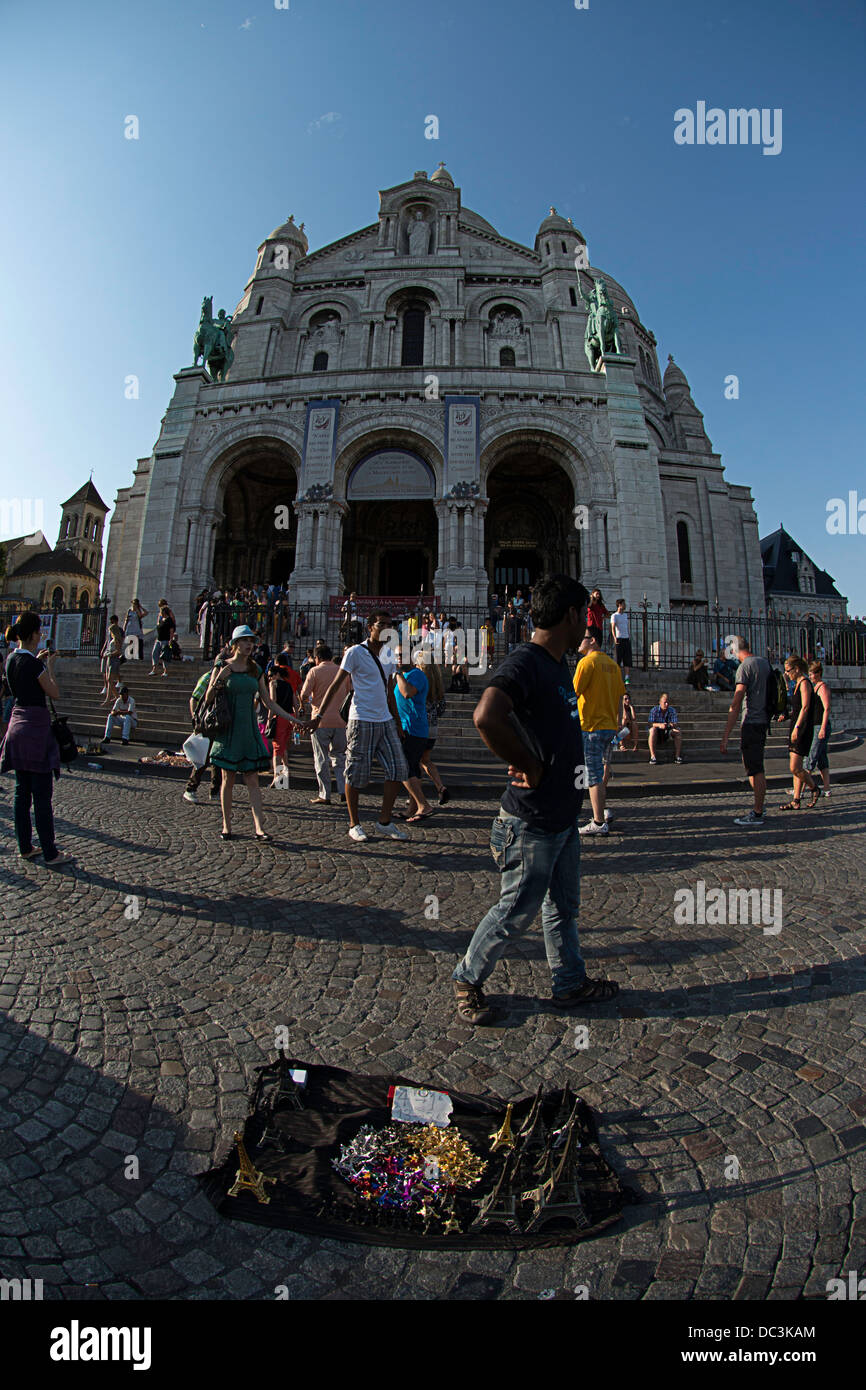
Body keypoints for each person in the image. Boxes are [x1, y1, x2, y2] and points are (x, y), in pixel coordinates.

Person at [451, 574, 619, 1026]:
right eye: (584, 614)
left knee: (563, 908)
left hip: (561, 817)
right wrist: (528, 763)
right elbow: (487, 715)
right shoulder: (527, 659)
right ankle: (467, 978)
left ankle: (568, 982)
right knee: (514, 910)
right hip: (530, 820)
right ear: (569, 615)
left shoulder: (558, 664)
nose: (587, 623)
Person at [307, 612, 414, 843]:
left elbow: (389, 691)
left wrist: (397, 721)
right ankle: (354, 824)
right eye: (381, 624)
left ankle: (384, 821)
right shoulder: (355, 652)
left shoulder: (387, 655)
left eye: (389, 624)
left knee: (398, 769)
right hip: (360, 719)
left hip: (385, 720)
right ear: (369, 628)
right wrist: (320, 715)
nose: (386, 628)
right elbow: (336, 685)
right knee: (355, 773)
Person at [203, 625, 306, 839]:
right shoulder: (222, 666)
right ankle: (226, 825)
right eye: (244, 641)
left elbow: (269, 702)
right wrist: (222, 677)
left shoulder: (255, 669)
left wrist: (292, 717)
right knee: (227, 779)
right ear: (235, 644)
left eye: (251, 641)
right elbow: (208, 698)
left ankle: (259, 827)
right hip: (229, 729)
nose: (249, 645)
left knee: (252, 780)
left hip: (248, 729)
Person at [0, 613, 71, 866]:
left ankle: (25, 846)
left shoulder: (11, 659)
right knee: (42, 796)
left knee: (21, 793)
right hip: (35, 730)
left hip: (16, 727)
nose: (41, 635)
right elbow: (54, 692)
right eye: (39, 632)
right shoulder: (36, 665)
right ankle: (51, 852)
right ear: (32, 635)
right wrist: (49, 666)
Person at [572, 632, 626, 835]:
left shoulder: (587, 663)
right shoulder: (613, 665)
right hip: (609, 727)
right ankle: (601, 809)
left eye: (583, 637)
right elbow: (621, 696)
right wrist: (619, 721)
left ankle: (598, 821)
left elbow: (573, 692)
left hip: (591, 726)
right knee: (601, 771)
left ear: (593, 640)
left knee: (592, 774)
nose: (579, 641)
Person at [720, 636, 771, 826]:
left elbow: (737, 700)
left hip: (751, 721)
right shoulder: (764, 663)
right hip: (763, 720)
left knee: (756, 768)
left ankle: (758, 812)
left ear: (734, 651)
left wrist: (726, 735)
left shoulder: (745, 667)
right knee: (753, 765)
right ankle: (760, 804)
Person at [299, 643, 348, 806]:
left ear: (317, 658)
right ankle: (343, 790)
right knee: (340, 757)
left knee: (321, 758)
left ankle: (325, 794)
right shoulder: (342, 671)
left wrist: (310, 701)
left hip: (320, 720)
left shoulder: (314, 671)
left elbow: (304, 695)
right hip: (341, 721)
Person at [393, 645, 435, 823]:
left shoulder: (416, 674)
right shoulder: (403, 676)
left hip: (414, 728)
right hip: (405, 727)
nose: (399, 658)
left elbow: (407, 692)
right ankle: (412, 807)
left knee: (404, 768)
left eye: (402, 655)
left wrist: (396, 674)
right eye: (396, 655)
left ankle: (423, 804)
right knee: (412, 767)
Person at [183, 652, 227, 804]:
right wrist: (196, 719)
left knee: (218, 759)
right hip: (208, 723)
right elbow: (194, 698)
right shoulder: (208, 677)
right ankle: (191, 787)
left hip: (221, 722)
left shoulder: (229, 678)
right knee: (203, 757)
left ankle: (215, 790)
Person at [779, 656, 819, 810]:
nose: (787, 674)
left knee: (795, 767)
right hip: (795, 725)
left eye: (788, 671)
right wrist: (787, 716)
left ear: (797, 669)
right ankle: (796, 799)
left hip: (802, 728)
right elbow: (796, 709)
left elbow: (805, 707)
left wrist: (796, 728)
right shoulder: (796, 684)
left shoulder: (804, 684)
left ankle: (814, 788)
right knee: (797, 767)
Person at [266, 654, 295, 789]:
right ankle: (285, 775)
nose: (269, 677)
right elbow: (294, 701)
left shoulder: (273, 684)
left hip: (279, 716)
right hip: (290, 716)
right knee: (283, 747)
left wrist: (269, 718)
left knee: (277, 748)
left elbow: (273, 701)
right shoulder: (289, 685)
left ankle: (277, 779)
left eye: (271, 675)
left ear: (276, 674)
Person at [806, 661, 832, 798]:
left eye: (811, 674)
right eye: (809, 674)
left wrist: (822, 728)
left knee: (811, 757)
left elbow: (826, 708)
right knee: (822, 758)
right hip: (816, 725)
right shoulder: (815, 687)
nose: (810, 676)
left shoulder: (822, 687)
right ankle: (827, 788)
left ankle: (800, 789)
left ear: (818, 674)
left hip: (820, 726)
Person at [647, 693, 683, 764]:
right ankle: (653, 756)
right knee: (652, 730)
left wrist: (669, 725)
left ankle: (677, 756)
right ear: (660, 702)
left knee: (678, 731)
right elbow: (650, 723)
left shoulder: (672, 710)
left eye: (667, 702)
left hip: (668, 730)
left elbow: (675, 723)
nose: (666, 704)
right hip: (657, 730)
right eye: (664, 702)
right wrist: (659, 725)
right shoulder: (654, 710)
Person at [100, 615, 124, 704]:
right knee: (108, 680)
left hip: (114, 660)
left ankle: (108, 699)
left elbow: (118, 651)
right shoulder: (112, 640)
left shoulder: (117, 640)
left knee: (110, 680)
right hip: (110, 660)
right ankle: (117, 696)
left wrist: (109, 654)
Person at [148, 600, 175, 677]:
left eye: (161, 612)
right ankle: (154, 669)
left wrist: (170, 640)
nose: (160, 613)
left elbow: (171, 631)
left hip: (166, 640)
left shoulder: (169, 620)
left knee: (165, 656)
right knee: (154, 653)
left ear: (165, 612)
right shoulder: (161, 619)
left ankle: (165, 671)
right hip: (159, 639)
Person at [610, 599, 631, 684]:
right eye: (623, 604)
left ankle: (626, 677)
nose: (625, 605)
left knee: (627, 659)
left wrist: (629, 635)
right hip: (619, 638)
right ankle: (617, 677)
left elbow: (627, 626)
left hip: (626, 638)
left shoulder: (625, 615)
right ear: (619, 605)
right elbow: (613, 627)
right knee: (618, 659)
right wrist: (614, 637)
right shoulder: (614, 615)